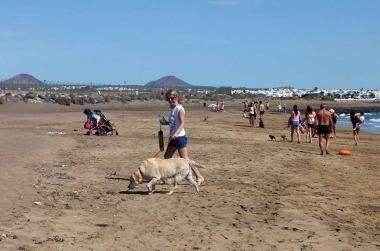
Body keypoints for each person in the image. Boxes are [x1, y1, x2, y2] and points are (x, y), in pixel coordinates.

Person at [163, 89, 204, 185]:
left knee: (186, 160)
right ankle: (167, 177)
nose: (169, 100)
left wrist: (176, 133)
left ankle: (199, 176)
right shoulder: (172, 110)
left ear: (176, 97)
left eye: (171, 98)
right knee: (167, 157)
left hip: (180, 137)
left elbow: (182, 123)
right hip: (172, 138)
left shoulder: (179, 108)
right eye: (168, 98)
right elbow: (173, 123)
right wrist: (165, 122)